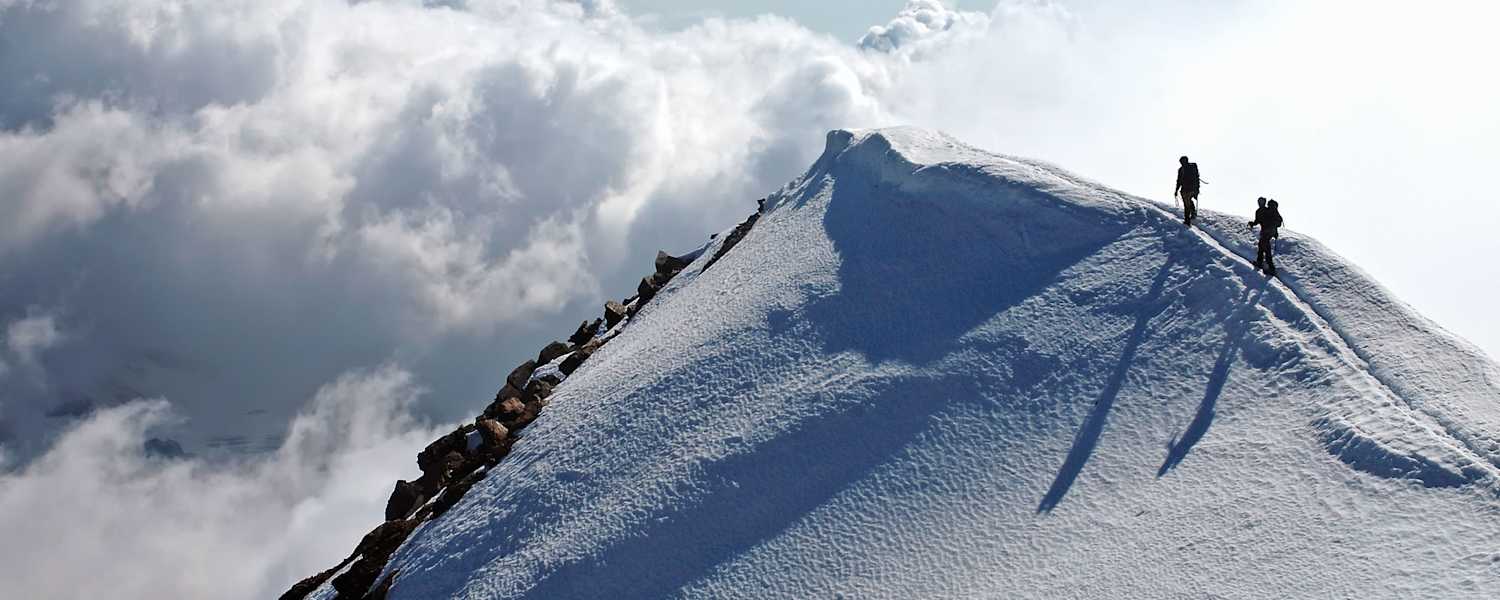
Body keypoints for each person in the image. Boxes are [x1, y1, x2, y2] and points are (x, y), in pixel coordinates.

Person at [1248, 197, 1283, 276]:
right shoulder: (1264, 210)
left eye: (1261, 202)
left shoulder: (1263, 211)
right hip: (1268, 232)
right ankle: (1260, 262)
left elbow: (1259, 221)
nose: (1260, 203)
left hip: (1266, 232)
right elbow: (1258, 221)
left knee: (1266, 248)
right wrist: (1252, 223)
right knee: (1261, 245)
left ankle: (1271, 268)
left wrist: (1253, 224)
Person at [1174, 156, 1202, 226]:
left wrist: (1176, 190)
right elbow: (1196, 178)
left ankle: (1187, 221)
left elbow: (1179, 181)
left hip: (1187, 189)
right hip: (1189, 189)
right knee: (1188, 202)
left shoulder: (1183, 169)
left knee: (1186, 204)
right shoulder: (1190, 168)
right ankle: (1192, 213)